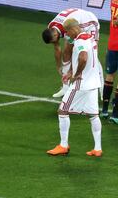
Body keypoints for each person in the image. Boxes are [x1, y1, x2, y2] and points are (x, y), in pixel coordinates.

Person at [46, 18, 102, 157]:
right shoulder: (89, 38)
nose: (67, 36)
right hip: (93, 82)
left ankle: (63, 145)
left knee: (63, 111)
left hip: (81, 83)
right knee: (94, 116)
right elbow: (82, 57)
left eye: (67, 33)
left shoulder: (80, 41)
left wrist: (76, 74)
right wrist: (71, 71)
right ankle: (97, 148)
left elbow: (83, 57)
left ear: (73, 29)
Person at [42, 8, 103, 98]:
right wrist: (58, 66)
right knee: (67, 52)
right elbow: (57, 49)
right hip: (76, 22)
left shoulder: (66, 28)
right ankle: (65, 88)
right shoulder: (51, 28)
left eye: (54, 41)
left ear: (55, 35)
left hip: (89, 23)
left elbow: (75, 44)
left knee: (92, 55)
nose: (54, 43)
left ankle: (102, 90)